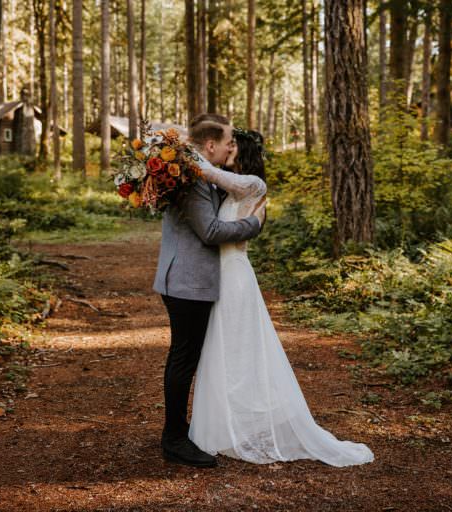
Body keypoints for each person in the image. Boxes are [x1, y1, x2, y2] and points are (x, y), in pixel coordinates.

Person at [188, 129, 375, 467]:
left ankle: (248, 423)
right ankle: (228, 426)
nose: (227, 148)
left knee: (241, 352)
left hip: (236, 276)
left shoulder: (254, 185)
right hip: (220, 277)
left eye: (232, 145)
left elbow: (208, 170)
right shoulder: (228, 190)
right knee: (223, 351)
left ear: (241, 152)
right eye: (226, 143)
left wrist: (175, 145)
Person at [152, 114, 266, 468]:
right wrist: (254, 224)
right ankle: (174, 438)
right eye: (228, 140)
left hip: (191, 279)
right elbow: (212, 232)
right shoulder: (194, 180)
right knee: (184, 358)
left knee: (189, 357)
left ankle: (183, 429)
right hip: (186, 280)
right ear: (211, 145)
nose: (232, 146)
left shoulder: (198, 174)